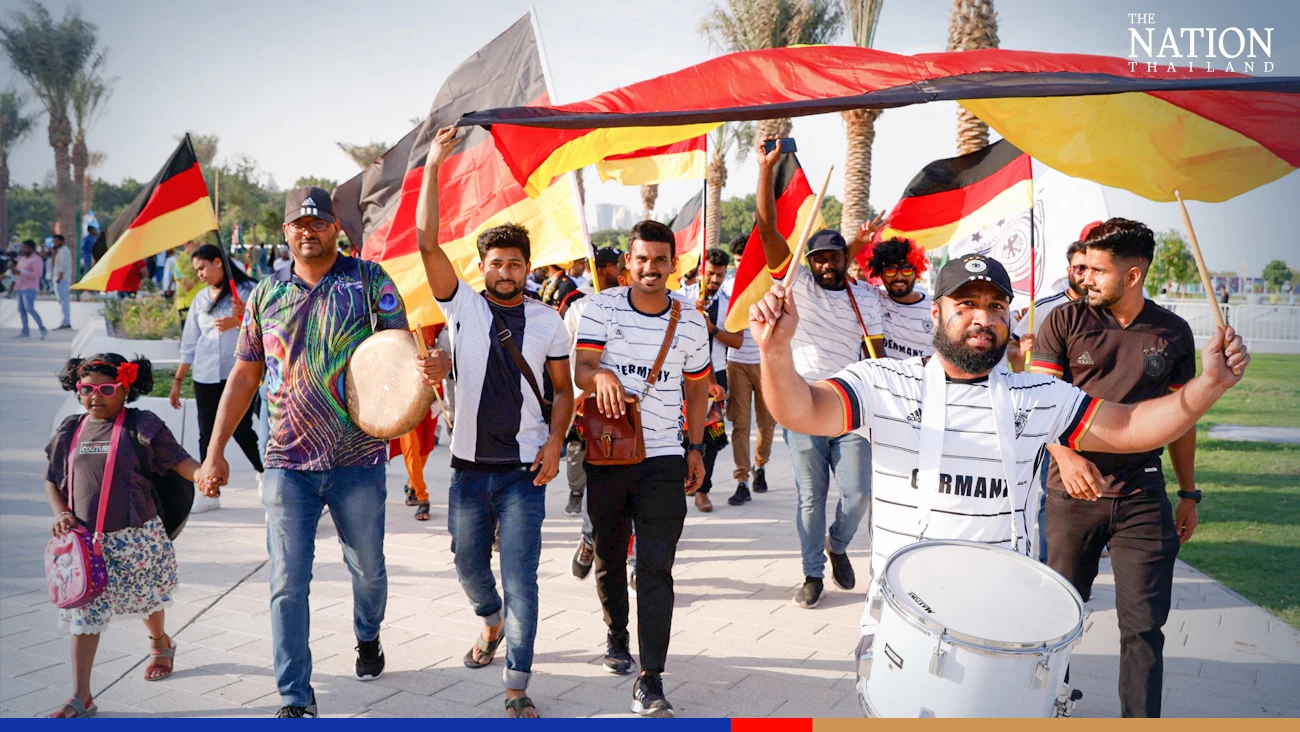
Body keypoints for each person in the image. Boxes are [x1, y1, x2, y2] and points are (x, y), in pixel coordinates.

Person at [749, 253, 1250, 690]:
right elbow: (801, 411)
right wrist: (773, 351)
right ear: (936, 311)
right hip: (903, 622)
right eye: (965, 304)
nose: (981, 317)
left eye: (995, 306)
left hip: (1002, 628)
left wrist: (1209, 384)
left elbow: (1130, 427)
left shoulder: (1038, 396)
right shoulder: (883, 383)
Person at [194, 186, 443, 718]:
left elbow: (401, 352)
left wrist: (430, 368)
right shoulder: (264, 294)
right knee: (287, 582)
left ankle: (367, 634)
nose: (308, 231)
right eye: (297, 224)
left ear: (336, 228)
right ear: (286, 233)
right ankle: (294, 696)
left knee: (369, 569)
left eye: (318, 222)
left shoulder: (368, 280)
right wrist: (215, 451)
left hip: (358, 459)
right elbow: (245, 373)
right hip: (286, 461)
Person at [415, 127, 572, 718]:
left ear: (529, 267)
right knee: (466, 564)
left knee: (523, 579)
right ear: (481, 266)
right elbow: (427, 241)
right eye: (496, 262)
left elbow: (563, 390)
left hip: (525, 472)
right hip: (467, 470)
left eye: (515, 263)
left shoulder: (549, 320)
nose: (505, 270)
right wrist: (435, 162)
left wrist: (556, 441)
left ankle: (517, 687)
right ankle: (490, 622)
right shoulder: (463, 305)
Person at [1031, 218, 1201, 717]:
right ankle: (1047, 707)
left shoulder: (1173, 332)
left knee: (1145, 626)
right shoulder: (1063, 322)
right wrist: (1064, 454)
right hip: (1071, 493)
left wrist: (1188, 493)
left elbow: (1181, 420)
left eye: (1098, 270)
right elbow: (1036, 402)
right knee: (1057, 617)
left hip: (1142, 497)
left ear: (1132, 276)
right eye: (1084, 268)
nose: (1086, 279)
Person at [574, 219, 711, 717]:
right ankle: (616, 635)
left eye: (659, 260)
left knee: (656, 568)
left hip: (664, 458)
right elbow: (580, 369)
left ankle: (651, 678)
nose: (650, 268)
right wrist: (601, 375)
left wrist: (695, 446)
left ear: (673, 264)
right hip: (609, 455)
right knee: (611, 556)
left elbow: (697, 388)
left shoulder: (692, 320)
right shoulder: (601, 306)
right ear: (627, 263)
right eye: (641, 259)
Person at [754, 136, 886, 608]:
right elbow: (767, 229)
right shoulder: (799, 286)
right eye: (819, 258)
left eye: (835, 256)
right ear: (808, 263)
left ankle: (838, 544)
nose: (827, 263)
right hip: (803, 402)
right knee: (811, 497)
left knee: (858, 495)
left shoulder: (865, 296)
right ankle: (812, 573)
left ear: (846, 260)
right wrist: (766, 170)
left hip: (851, 404)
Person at [44, 354, 202, 717]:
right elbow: (52, 479)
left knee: (146, 600)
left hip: (135, 537)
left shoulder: (142, 426)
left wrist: (205, 475)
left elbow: (179, 461)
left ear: (124, 388)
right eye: (87, 389)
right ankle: (81, 696)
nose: (95, 396)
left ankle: (160, 643)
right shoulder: (71, 430)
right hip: (85, 544)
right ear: (78, 390)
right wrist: (62, 514)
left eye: (106, 389)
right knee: (84, 618)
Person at [171, 244, 262, 513]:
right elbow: (190, 340)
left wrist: (240, 320)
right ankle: (210, 490)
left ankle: (263, 472)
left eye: (203, 267)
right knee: (206, 433)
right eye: (197, 270)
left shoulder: (246, 292)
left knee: (243, 430)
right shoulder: (201, 299)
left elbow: (264, 328)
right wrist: (178, 380)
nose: (200, 274)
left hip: (237, 374)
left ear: (218, 262)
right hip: (205, 373)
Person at [680, 248, 742, 512]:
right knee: (681, 433)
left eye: (719, 274)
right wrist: (692, 318)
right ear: (700, 271)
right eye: (710, 273)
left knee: (713, 436)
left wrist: (713, 329)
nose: (714, 279)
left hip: (716, 374)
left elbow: (737, 340)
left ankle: (703, 490)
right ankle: (679, 482)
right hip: (682, 375)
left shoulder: (730, 302)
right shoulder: (683, 298)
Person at [564, 247, 622, 531]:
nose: (619, 269)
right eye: (614, 265)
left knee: (610, 456)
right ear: (601, 269)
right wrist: (575, 391)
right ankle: (576, 491)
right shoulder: (578, 304)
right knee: (578, 449)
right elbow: (566, 350)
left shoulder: (627, 301)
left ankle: (597, 526)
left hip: (616, 397)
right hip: (582, 394)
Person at [722, 234, 777, 505]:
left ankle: (760, 465)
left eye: (745, 260)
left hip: (767, 362)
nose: (741, 265)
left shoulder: (771, 286)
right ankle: (742, 478)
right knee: (739, 424)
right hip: (737, 363)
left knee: (767, 422)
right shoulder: (728, 288)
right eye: (737, 261)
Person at [1008, 223, 1099, 372]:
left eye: (1092, 268)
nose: (1086, 274)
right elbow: (1014, 348)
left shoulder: (1111, 307)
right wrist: (1021, 352)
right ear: (1069, 270)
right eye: (1080, 268)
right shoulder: (1043, 308)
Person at [865, 236, 932, 360]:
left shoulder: (935, 308)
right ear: (881, 273)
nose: (898, 277)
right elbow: (840, 274)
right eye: (890, 271)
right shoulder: (873, 297)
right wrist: (858, 242)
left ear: (916, 271)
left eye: (906, 270)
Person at [12, 239, 48, 339]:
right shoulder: (22, 258)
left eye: (25, 247)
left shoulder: (36, 260)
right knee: (21, 310)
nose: (22, 249)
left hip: (29, 288)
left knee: (30, 309)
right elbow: (18, 271)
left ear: (31, 249)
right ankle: (25, 331)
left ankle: (42, 329)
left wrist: (21, 273)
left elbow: (37, 274)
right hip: (19, 287)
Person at [52, 234, 74, 329]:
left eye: (56, 241)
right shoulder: (59, 251)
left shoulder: (64, 251)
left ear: (62, 241)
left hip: (62, 279)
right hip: (59, 279)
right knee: (62, 301)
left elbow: (63, 266)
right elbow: (54, 264)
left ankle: (66, 322)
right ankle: (64, 321)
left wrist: (59, 278)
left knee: (64, 301)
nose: (55, 243)